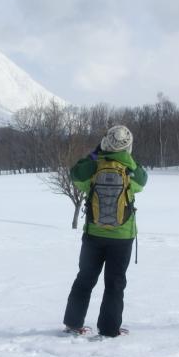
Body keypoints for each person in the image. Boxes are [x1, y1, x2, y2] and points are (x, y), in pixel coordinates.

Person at [63, 125, 148, 337]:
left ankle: (73, 324)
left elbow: (76, 175)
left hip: (94, 234)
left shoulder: (94, 164)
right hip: (122, 236)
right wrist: (128, 161)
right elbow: (142, 181)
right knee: (115, 283)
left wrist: (94, 153)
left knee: (84, 279)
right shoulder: (130, 168)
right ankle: (110, 329)